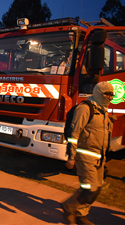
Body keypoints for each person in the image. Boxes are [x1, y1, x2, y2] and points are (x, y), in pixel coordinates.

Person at [61, 81, 114, 225]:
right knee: (89, 188)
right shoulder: (85, 108)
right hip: (85, 155)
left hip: (99, 157)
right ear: (98, 93)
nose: (110, 97)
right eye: (107, 94)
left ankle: (80, 215)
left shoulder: (103, 111)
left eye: (112, 94)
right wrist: (71, 156)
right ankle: (68, 206)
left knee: (96, 189)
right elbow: (74, 133)